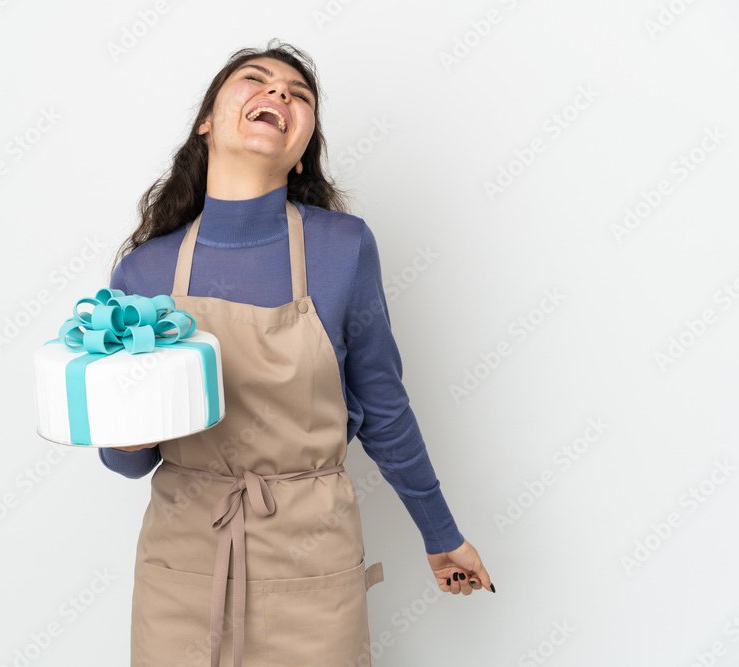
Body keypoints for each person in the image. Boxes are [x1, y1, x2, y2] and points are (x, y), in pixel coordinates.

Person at [99, 39, 494, 666]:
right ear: (206, 123)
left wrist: (440, 533)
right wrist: (124, 436)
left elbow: (383, 408)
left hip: (314, 564)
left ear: (303, 151)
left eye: (299, 94)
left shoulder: (343, 249)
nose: (279, 92)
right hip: (182, 570)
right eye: (254, 79)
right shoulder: (144, 271)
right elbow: (128, 464)